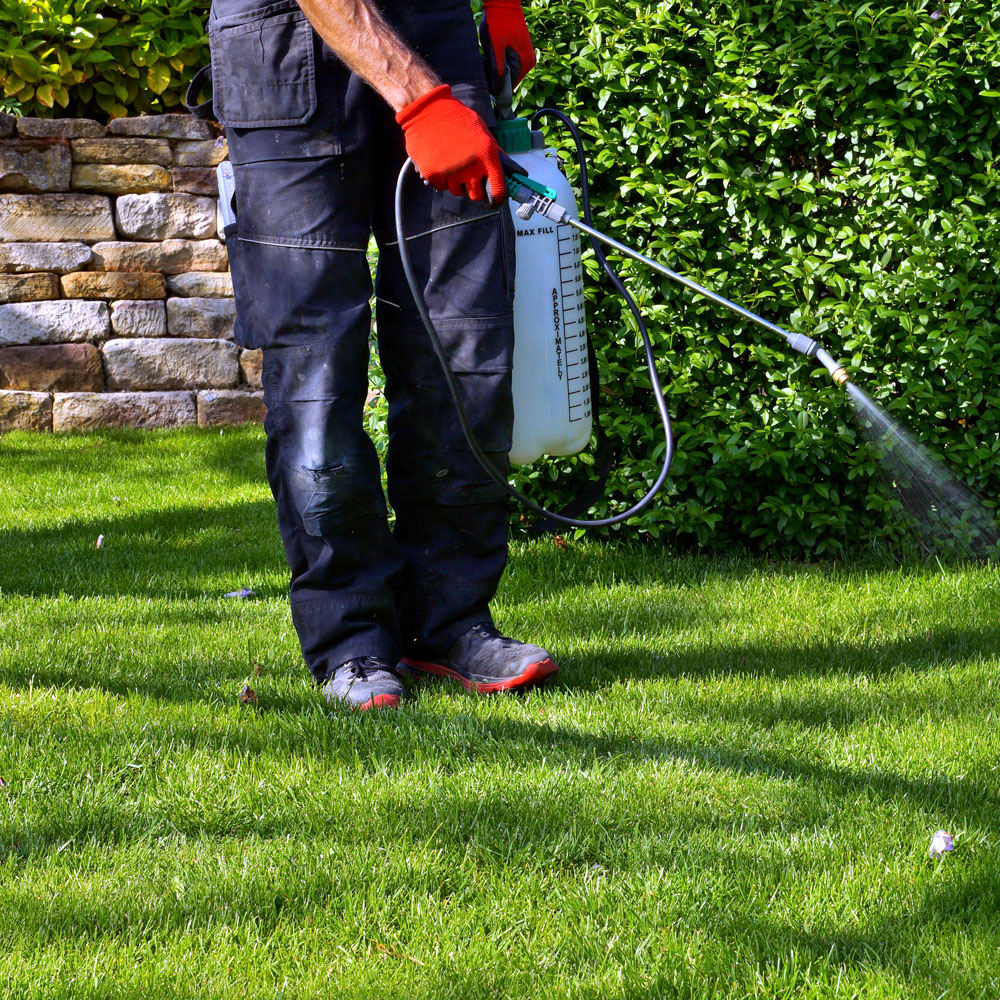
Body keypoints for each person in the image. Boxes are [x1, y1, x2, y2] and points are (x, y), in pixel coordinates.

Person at [207, 0, 558, 709]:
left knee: (465, 349)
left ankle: (451, 621)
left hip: (438, 36)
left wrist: (498, 6)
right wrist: (420, 97)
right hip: (284, 45)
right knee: (315, 371)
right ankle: (353, 639)